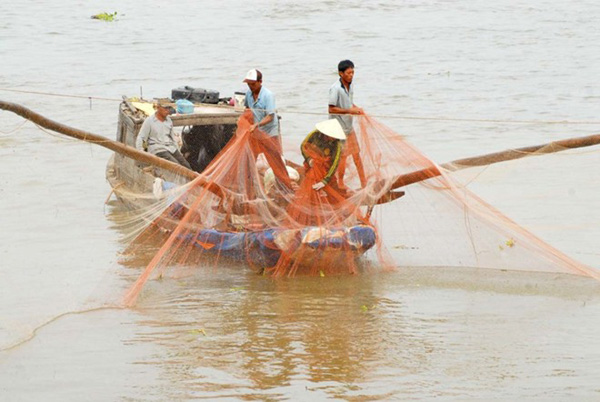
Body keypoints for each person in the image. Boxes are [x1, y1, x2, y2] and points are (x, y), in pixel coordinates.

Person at [243, 69, 294, 192]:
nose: (250, 86)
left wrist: (256, 125)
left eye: (253, 84)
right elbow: (247, 109)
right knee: (249, 160)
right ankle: (248, 188)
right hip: (256, 133)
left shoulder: (268, 95)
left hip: (270, 133)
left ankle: (285, 187)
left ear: (260, 82)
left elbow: (270, 116)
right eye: (249, 84)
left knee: (275, 162)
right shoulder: (248, 95)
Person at [328, 59, 366, 188]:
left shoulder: (351, 86)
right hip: (338, 129)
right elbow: (331, 108)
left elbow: (349, 104)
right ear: (340, 73)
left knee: (356, 155)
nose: (351, 75)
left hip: (348, 127)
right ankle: (340, 183)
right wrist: (350, 110)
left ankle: (364, 183)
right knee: (342, 157)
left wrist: (357, 109)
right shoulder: (335, 89)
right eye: (348, 73)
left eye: (353, 73)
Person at [135, 101, 191, 169]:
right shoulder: (149, 121)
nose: (167, 111)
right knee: (176, 166)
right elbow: (142, 137)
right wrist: (142, 151)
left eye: (168, 108)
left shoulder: (169, 121)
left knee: (186, 165)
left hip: (170, 148)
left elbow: (172, 138)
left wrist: (178, 150)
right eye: (165, 108)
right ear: (158, 108)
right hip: (158, 149)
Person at [301, 119, 346, 193]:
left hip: (326, 167)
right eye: (332, 136)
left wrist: (325, 181)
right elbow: (303, 146)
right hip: (312, 163)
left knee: (331, 190)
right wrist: (308, 159)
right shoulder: (314, 134)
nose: (333, 138)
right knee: (310, 180)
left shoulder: (337, 144)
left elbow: (335, 164)